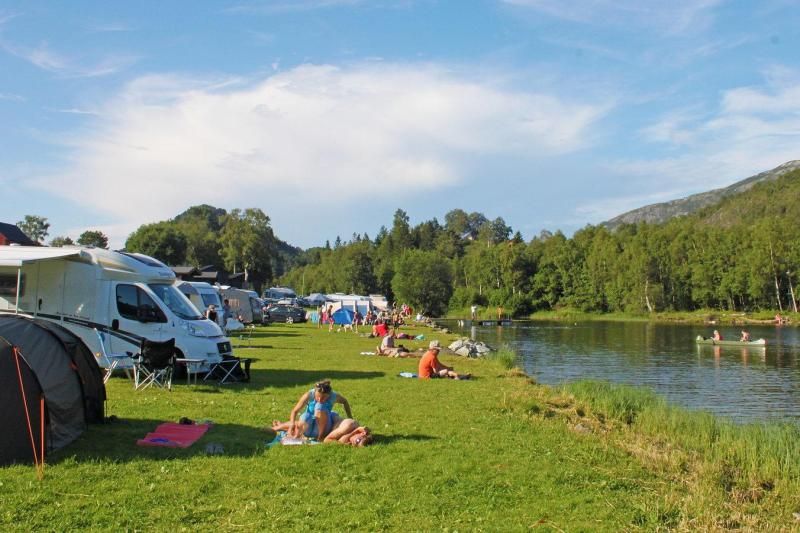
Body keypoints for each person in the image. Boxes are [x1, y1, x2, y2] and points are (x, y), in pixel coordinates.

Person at [272, 380, 352, 441]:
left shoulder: (333, 396)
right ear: (315, 392)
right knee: (305, 416)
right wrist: (291, 425)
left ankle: (320, 437)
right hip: (308, 425)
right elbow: (295, 411)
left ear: (329, 394)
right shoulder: (309, 394)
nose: (320, 399)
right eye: (318, 397)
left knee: (320, 406)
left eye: (324, 397)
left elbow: (345, 402)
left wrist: (350, 417)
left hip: (323, 427)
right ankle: (279, 427)